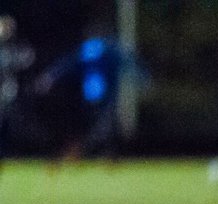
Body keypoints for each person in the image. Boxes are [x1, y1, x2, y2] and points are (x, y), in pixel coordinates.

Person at [35, 30, 143, 162]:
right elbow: (68, 64)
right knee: (98, 128)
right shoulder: (104, 48)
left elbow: (68, 64)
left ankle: (101, 155)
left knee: (103, 128)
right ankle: (90, 154)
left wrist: (50, 77)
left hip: (100, 97)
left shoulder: (101, 48)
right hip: (94, 97)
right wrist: (50, 77)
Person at [0, 16, 34, 165]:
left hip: (13, 93)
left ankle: (11, 153)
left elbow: (28, 58)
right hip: (3, 93)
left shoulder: (17, 47)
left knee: (13, 125)